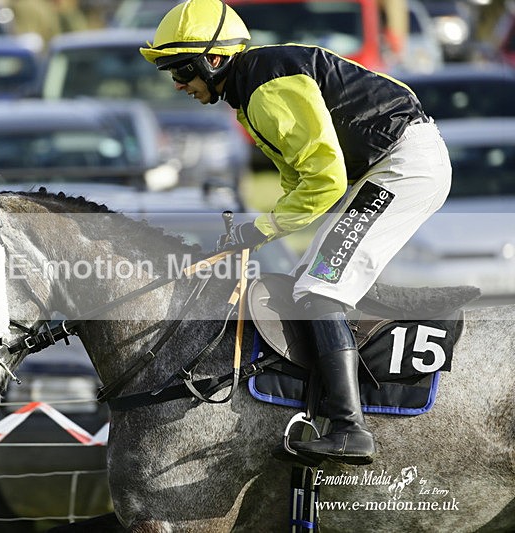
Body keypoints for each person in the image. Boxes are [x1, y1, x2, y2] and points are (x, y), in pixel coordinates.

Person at [140, 0, 451, 465]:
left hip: (402, 167)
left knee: (320, 286)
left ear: (216, 59)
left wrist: (259, 229)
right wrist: (257, 232)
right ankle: (321, 406)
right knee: (307, 280)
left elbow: (324, 181)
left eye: (182, 69)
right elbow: (298, 180)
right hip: (382, 167)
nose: (178, 83)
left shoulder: (266, 88)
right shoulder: (250, 91)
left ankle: (350, 428)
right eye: (170, 72)